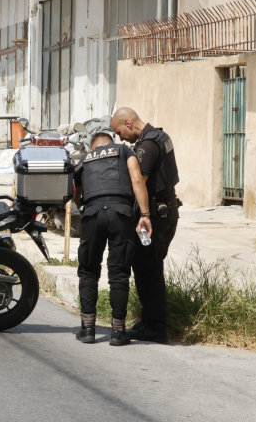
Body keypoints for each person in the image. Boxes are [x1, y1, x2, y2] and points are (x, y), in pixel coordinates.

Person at [73, 130, 152, 346]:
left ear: (93, 147)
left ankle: (88, 329)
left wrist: (88, 210)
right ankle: (118, 332)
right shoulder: (124, 150)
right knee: (119, 273)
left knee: (88, 271)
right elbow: (137, 180)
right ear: (111, 143)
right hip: (121, 213)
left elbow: (76, 195)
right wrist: (145, 215)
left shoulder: (84, 159)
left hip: (92, 213)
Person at [112, 107, 180, 344]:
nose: (121, 138)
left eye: (119, 132)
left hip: (156, 217)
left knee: (147, 269)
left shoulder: (147, 146)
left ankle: (156, 327)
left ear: (128, 123)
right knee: (150, 267)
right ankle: (150, 321)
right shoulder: (160, 136)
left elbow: (138, 181)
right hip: (167, 210)